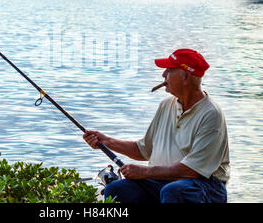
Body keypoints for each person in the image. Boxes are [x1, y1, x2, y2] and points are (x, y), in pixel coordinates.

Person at [83, 48, 230, 203]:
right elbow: (144, 150)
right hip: (162, 182)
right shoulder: (166, 105)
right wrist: (106, 142)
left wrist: (145, 172)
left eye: (169, 70)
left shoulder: (211, 114)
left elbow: (192, 171)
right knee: (116, 189)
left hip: (205, 186)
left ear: (186, 77)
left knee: (174, 191)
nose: (163, 75)